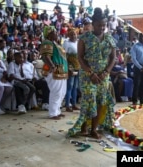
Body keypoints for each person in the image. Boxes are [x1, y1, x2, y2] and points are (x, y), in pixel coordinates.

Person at [67, 7, 116, 139]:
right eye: (99, 25)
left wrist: (106, 72)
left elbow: (113, 58)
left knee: (100, 100)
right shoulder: (84, 38)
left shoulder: (110, 39)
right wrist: (91, 73)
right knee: (89, 100)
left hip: (103, 76)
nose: (102, 27)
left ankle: (93, 129)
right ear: (93, 24)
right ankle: (84, 125)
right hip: (88, 76)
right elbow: (80, 57)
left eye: (104, 25)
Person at [40, 26, 68, 120]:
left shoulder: (56, 43)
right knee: (56, 92)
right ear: (49, 34)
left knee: (62, 92)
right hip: (54, 70)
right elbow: (45, 56)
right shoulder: (47, 42)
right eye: (54, 32)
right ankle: (53, 113)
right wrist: (52, 66)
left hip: (62, 70)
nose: (56, 33)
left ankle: (57, 111)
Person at [130, 33, 143, 105]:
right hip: (138, 67)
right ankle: (134, 100)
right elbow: (134, 59)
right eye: (141, 37)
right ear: (139, 38)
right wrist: (141, 68)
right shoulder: (135, 46)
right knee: (137, 83)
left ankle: (142, 99)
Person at [63, 28, 80, 112]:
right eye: (71, 34)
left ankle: (74, 104)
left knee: (75, 87)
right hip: (71, 67)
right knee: (69, 86)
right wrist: (68, 68)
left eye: (74, 34)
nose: (73, 36)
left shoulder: (78, 42)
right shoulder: (66, 43)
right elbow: (64, 57)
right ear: (68, 36)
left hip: (78, 66)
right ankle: (67, 105)